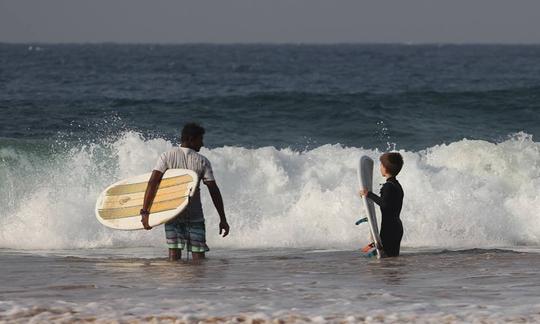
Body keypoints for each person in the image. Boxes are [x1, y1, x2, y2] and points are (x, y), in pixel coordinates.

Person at [140, 123, 230, 261]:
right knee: (198, 258)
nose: (202, 144)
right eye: (200, 139)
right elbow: (213, 190)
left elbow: (153, 183)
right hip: (195, 216)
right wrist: (222, 219)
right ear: (190, 139)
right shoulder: (202, 161)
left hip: (172, 214)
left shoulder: (166, 156)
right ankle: (197, 282)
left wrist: (145, 212)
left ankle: (176, 282)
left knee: (174, 256)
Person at [359, 152, 404, 257]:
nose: (380, 167)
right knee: (391, 259)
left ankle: (388, 273)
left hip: (389, 230)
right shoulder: (397, 185)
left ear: (385, 168)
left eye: (381, 165)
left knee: (386, 258)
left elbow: (385, 205)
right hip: (396, 227)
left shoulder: (388, 186)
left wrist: (368, 194)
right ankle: (392, 272)